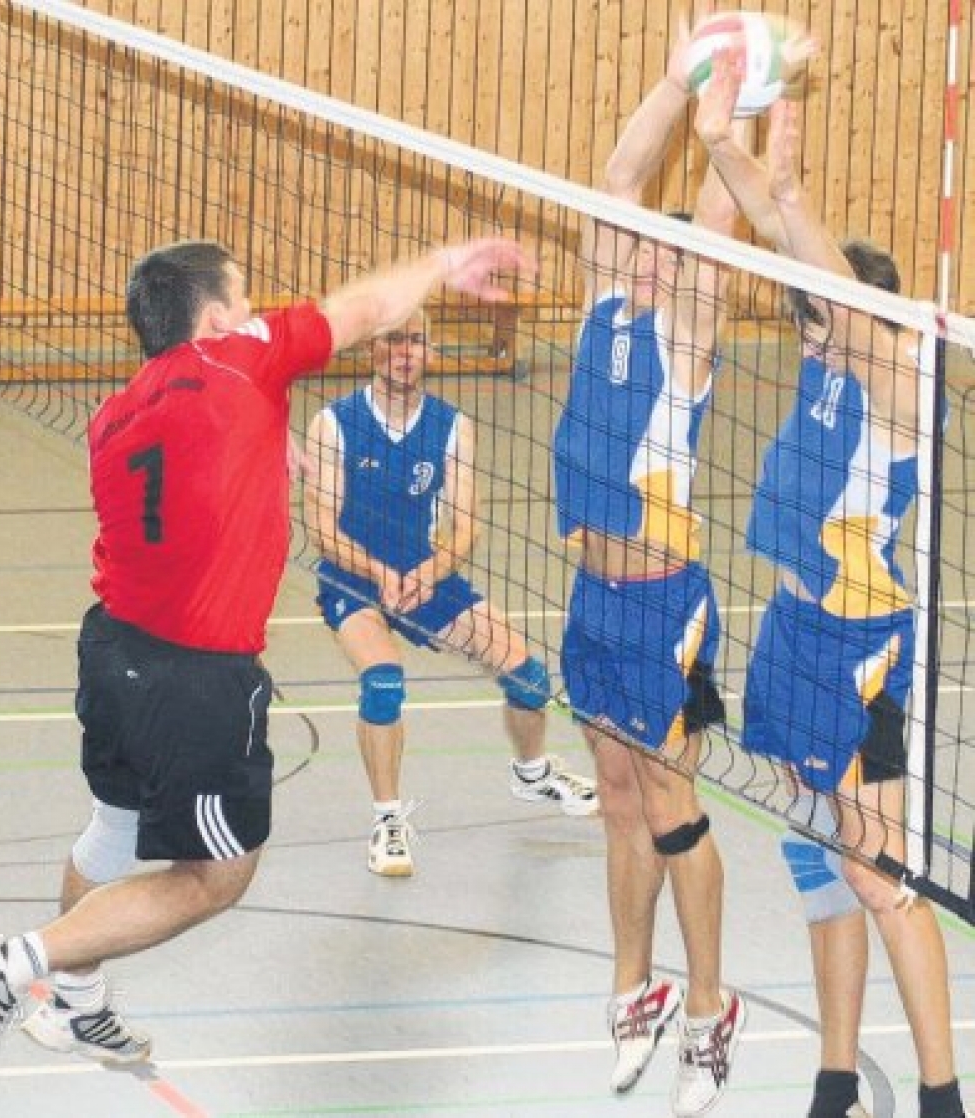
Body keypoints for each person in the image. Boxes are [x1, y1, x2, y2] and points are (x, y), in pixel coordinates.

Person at [0, 235, 533, 1081]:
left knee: (114, 825)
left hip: (111, 648)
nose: (257, 313)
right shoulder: (239, 356)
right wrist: (449, 264)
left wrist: (266, 437)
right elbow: (364, 309)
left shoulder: (113, 417)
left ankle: (74, 1006)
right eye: (246, 300)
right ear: (217, 318)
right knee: (217, 877)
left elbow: (193, 466)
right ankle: (5, 965)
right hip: (196, 675)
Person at [695, 49, 972, 1118]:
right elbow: (779, 237)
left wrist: (785, 185)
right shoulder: (820, 362)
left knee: (878, 876)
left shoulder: (900, 381)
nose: (810, 319)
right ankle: (835, 1080)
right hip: (789, 635)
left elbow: (811, 256)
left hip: (863, 650)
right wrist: (730, 141)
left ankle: (941, 1096)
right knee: (817, 864)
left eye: (827, 307)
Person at [551, 26, 749, 1118]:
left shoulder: (688, 338)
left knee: (672, 803)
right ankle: (635, 990)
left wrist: (737, 93)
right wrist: (677, 74)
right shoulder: (602, 309)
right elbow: (622, 176)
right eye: (635, 247)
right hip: (591, 596)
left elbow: (714, 218)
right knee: (619, 798)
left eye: (662, 254)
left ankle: (711, 1006)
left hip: (664, 604)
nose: (642, 255)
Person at [303, 310, 597, 876]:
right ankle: (388, 819)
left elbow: (465, 527)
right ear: (371, 349)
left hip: (424, 572)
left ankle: (532, 774)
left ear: (430, 352)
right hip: (352, 576)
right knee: (383, 683)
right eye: (393, 340)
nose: (405, 352)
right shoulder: (333, 424)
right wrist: (378, 572)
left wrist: (430, 570)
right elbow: (322, 529)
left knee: (528, 678)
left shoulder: (452, 426)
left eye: (416, 341)